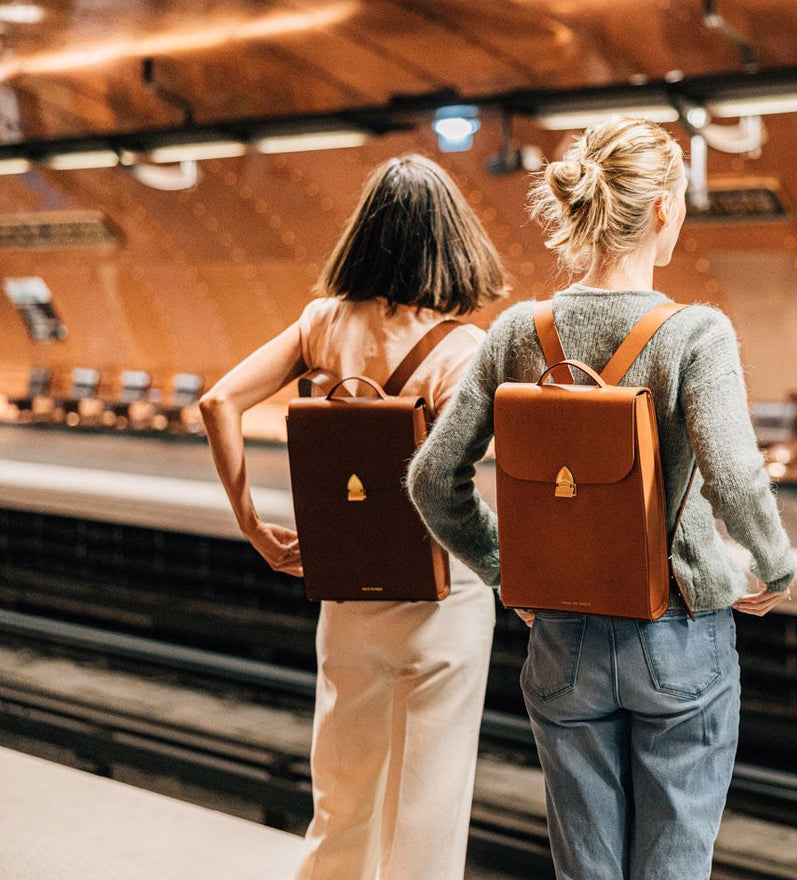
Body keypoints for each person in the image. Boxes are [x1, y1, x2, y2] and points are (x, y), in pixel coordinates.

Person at [408, 117, 795, 880]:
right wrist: (771, 567)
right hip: (680, 633)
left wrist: (504, 569)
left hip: (564, 640)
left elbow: (431, 478)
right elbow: (736, 478)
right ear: (662, 211)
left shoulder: (519, 330)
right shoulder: (695, 334)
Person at [199, 154, 506, 880]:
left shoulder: (321, 325)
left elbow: (220, 403)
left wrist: (251, 521)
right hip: (441, 596)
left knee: (343, 796)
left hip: (345, 585)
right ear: (451, 241)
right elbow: (451, 486)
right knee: (426, 810)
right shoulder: (466, 352)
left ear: (364, 235)